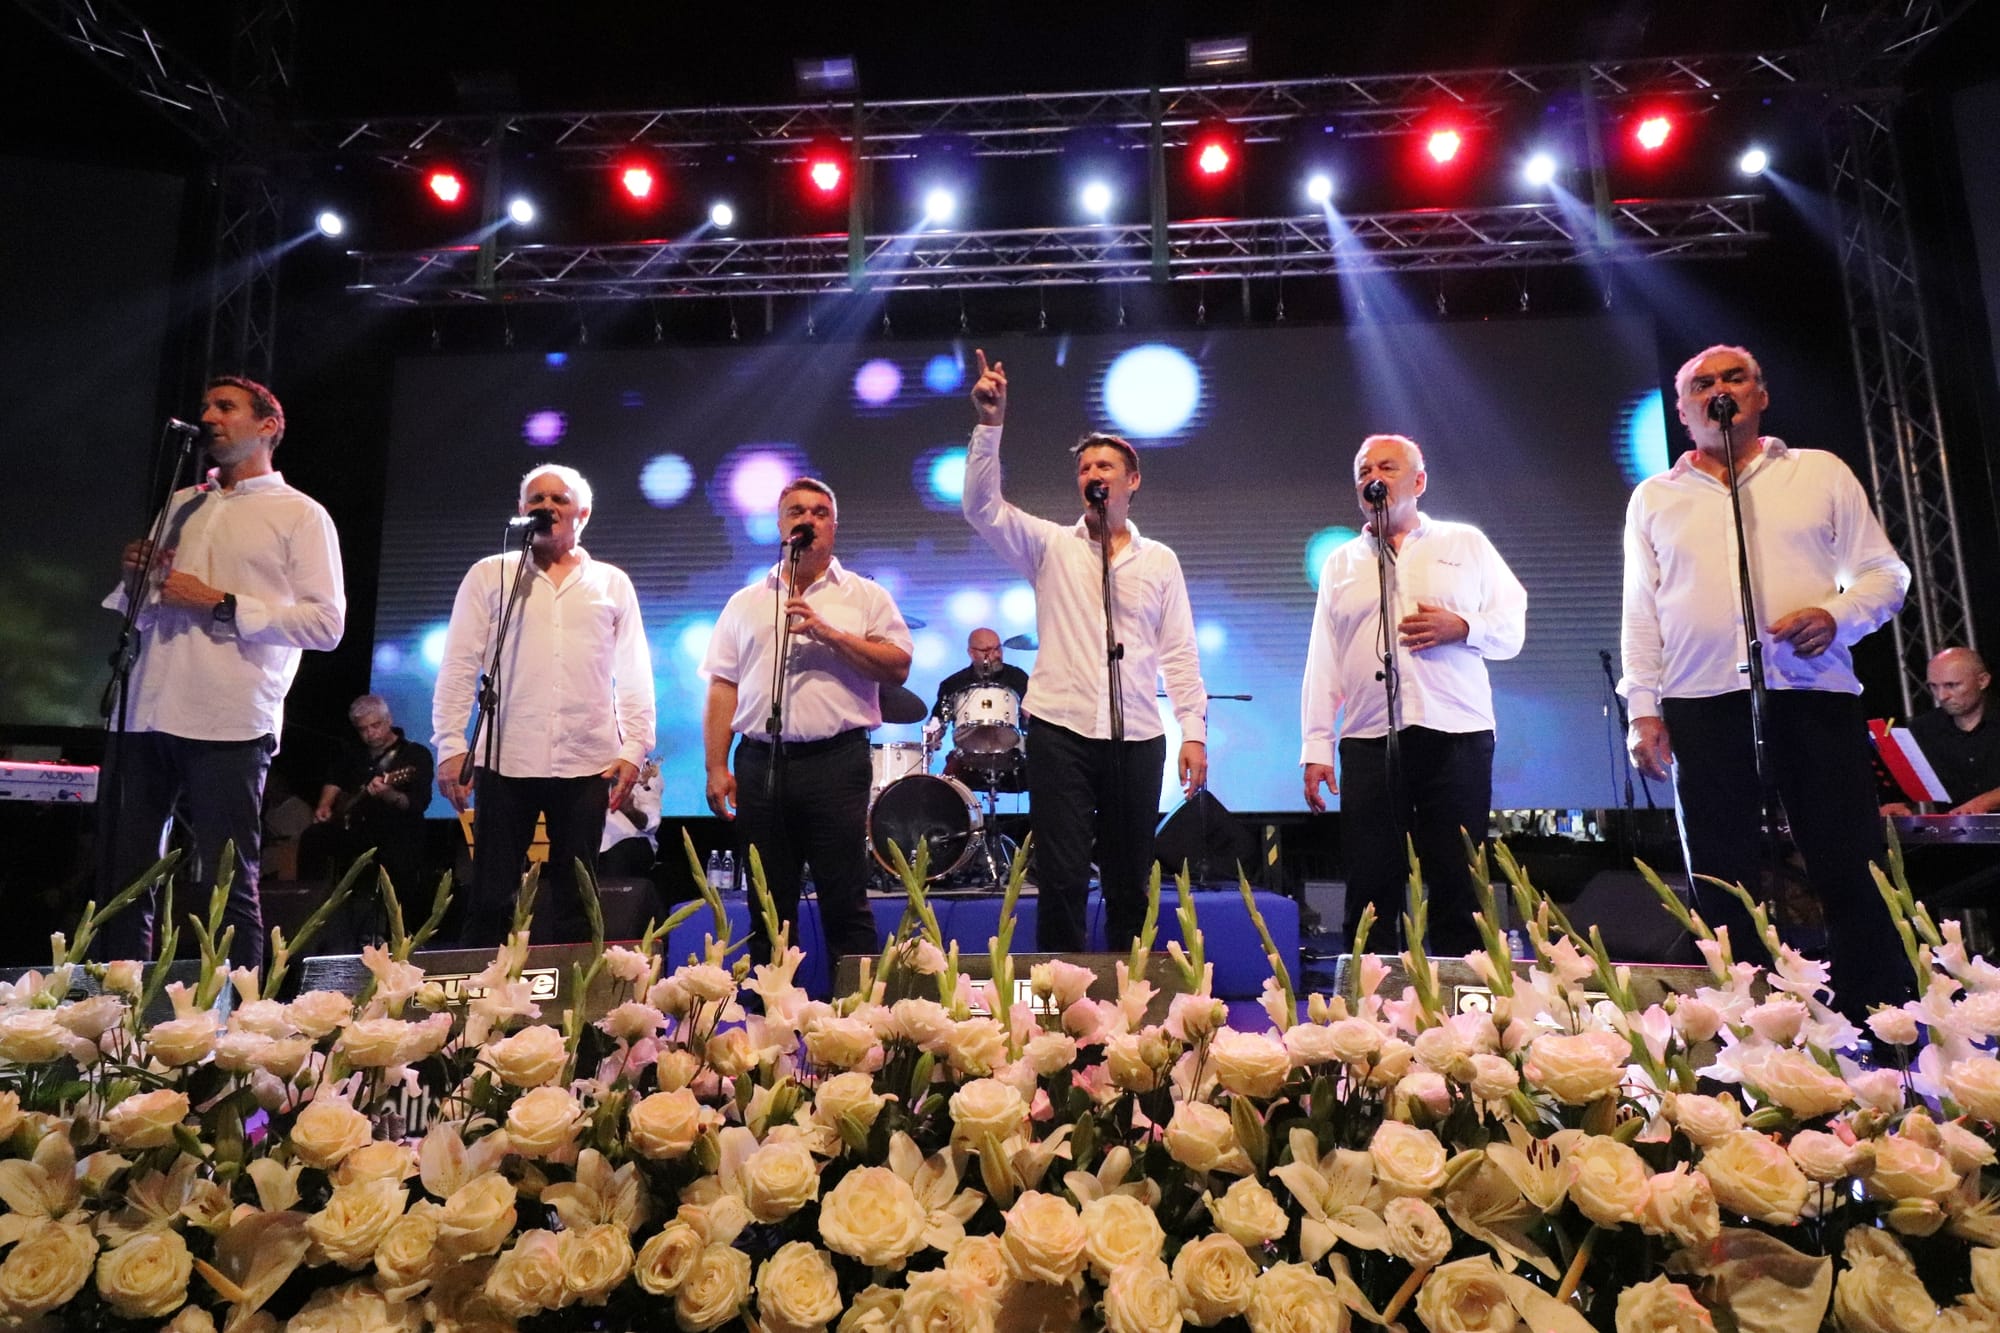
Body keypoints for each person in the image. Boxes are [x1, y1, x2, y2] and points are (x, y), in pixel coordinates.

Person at [1621, 343, 1912, 1016]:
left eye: (1734, 377)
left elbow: (1886, 574)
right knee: (1720, 879)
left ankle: (1879, 1021)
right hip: (1700, 701)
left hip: (1812, 693)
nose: (1718, 390)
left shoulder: (1817, 472)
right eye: (1702, 384)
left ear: (1761, 395)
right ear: (1683, 410)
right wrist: (1643, 708)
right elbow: (1641, 609)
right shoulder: (1655, 497)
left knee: (1849, 862)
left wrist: (1837, 616)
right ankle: (1743, 1025)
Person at [96, 376, 346, 974]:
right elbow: (145, 611)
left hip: (228, 719)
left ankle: (238, 1017)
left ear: (268, 426)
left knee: (225, 881)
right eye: (206, 405)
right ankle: (116, 1009)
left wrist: (222, 602)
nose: (208, 415)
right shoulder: (182, 503)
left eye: (225, 407)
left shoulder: (300, 514)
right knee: (123, 879)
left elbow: (326, 625)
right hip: (145, 710)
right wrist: (135, 580)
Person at [962, 350, 1208, 953]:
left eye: (1105, 465)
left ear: (1132, 481)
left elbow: (1179, 649)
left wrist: (1194, 732)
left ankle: (1129, 989)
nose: (1093, 473)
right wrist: (990, 425)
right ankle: (1061, 993)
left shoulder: (1160, 561)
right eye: (1084, 467)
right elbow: (982, 509)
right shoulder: (1050, 546)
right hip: (1061, 730)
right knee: (1063, 875)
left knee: (1129, 878)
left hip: (1137, 733)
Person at [1300, 434, 1527, 954]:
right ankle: (1370, 994)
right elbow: (1324, 658)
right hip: (1369, 739)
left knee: (1458, 879)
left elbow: (1512, 628)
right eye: (1364, 471)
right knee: (1370, 882)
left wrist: (1463, 626)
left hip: (1457, 733)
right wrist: (1316, 745)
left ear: (1419, 481)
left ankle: (1460, 996)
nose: (1373, 478)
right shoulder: (1341, 563)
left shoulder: (1464, 543)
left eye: (1387, 467)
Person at [432, 465, 654, 946]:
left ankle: (576, 993)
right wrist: (450, 744)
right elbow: (458, 663)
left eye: (559, 499)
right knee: (491, 898)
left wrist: (635, 746)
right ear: (521, 510)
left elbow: (634, 669)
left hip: (586, 761)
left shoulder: (611, 583)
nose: (546, 507)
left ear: (582, 514)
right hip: (505, 758)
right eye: (537, 500)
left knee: (578, 898)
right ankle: (484, 991)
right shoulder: (491, 575)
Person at [702, 478, 913, 965]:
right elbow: (723, 686)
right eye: (797, 511)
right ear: (781, 526)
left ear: (833, 527)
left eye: (820, 512)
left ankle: (858, 1009)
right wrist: (716, 765)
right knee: (768, 907)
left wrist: (829, 634)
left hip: (835, 763)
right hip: (761, 762)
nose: (808, 519)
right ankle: (770, 1009)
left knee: (844, 900)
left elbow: (898, 666)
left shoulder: (865, 595)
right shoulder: (746, 602)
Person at [302, 694, 434, 898]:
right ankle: (310, 900)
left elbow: (418, 803)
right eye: (363, 729)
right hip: (356, 830)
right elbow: (334, 778)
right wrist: (325, 805)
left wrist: (389, 794)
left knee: (400, 854)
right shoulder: (354, 753)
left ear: (389, 720)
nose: (370, 733)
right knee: (313, 837)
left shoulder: (415, 754)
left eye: (375, 725)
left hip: (397, 832)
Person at [1883, 648, 2000, 815]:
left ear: (1982, 681)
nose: (1942, 696)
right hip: (1954, 829)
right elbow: (1909, 784)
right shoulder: (1923, 729)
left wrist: (1987, 801)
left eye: (1952, 685)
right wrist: (1899, 803)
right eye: (1933, 686)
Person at [931, 628, 1031, 724]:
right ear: (971, 653)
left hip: (1010, 735)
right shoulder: (952, 684)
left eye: (998, 648)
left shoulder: (1017, 677)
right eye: (987, 650)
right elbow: (937, 722)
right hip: (968, 736)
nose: (997, 655)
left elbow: (1031, 719)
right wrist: (934, 728)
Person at [600, 759, 664, 879]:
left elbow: (651, 823)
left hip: (628, 842)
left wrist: (629, 810)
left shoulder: (645, 767)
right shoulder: (582, 765)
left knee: (618, 855)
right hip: (588, 841)